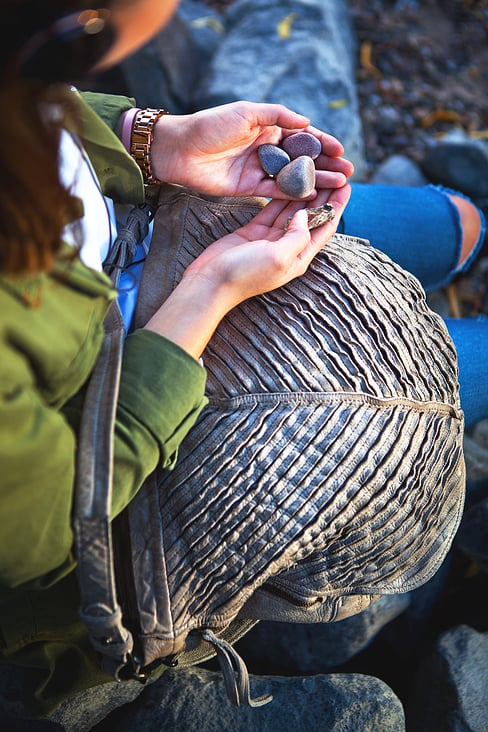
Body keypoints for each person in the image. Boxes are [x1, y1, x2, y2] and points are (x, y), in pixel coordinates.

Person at [0, 0, 485, 724]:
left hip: (126, 257)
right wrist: (211, 289)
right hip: (126, 466)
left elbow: (31, 103)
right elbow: (58, 523)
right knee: (458, 362)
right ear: (73, 26)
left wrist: (153, 142)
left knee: (449, 223)